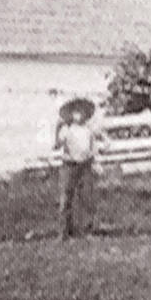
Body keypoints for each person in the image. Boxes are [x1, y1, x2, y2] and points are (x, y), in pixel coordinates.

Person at [55, 97, 104, 239]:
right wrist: (57, 129)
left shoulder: (88, 131)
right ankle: (64, 231)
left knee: (87, 197)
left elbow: (92, 147)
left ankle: (88, 230)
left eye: (81, 112)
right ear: (70, 114)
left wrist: (95, 161)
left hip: (85, 164)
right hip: (69, 165)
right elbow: (58, 144)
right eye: (75, 112)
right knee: (66, 198)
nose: (78, 115)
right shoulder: (67, 130)